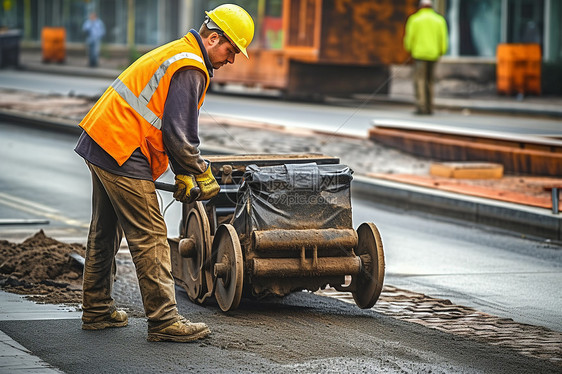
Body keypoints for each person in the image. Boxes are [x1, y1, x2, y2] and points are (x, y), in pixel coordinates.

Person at [74, 4, 254, 342]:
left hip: (104, 140)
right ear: (213, 38)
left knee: (105, 231)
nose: (231, 59)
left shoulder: (179, 52)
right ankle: (164, 321)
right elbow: (178, 134)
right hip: (124, 149)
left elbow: (163, 124)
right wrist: (199, 172)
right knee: (152, 235)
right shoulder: (191, 66)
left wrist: (182, 171)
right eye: (231, 50)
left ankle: (97, 310)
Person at [403, 0, 448, 115]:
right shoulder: (439, 20)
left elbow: (409, 38)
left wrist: (410, 50)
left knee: (420, 80)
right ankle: (429, 107)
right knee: (430, 81)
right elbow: (443, 39)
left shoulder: (414, 19)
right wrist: (441, 51)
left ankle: (421, 107)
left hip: (419, 54)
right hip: (434, 54)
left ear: (420, 6)